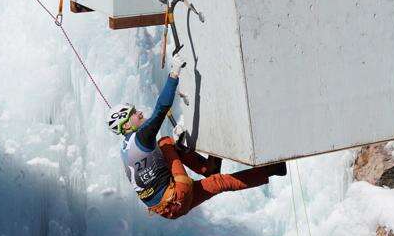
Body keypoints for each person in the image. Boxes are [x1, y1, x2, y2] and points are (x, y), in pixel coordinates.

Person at [109, 63, 286, 220]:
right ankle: (206, 167)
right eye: (132, 114)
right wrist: (174, 74)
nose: (139, 113)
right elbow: (160, 109)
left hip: (171, 210)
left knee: (220, 183)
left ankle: (274, 169)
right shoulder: (141, 138)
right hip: (177, 193)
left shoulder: (126, 149)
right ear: (125, 127)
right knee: (164, 142)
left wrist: (176, 149)